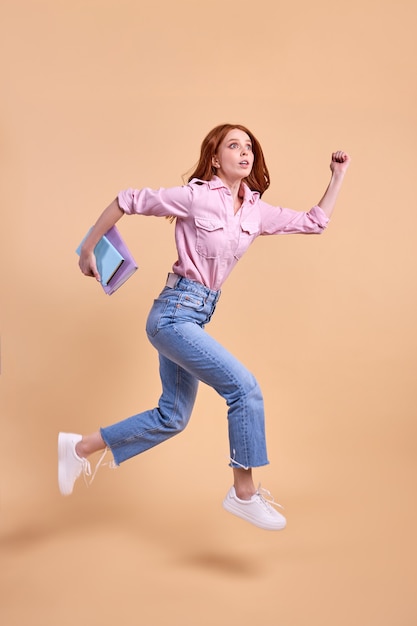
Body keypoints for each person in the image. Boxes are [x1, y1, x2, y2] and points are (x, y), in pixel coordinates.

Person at [58, 123, 350, 531]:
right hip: (173, 313)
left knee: (172, 417)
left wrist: (336, 177)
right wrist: (88, 249)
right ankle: (243, 493)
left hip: (194, 317)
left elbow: (315, 222)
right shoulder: (195, 197)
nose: (245, 151)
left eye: (249, 146)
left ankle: (78, 448)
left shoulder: (254, 209)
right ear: (215, 158)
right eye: (234, 145)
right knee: (244, 389)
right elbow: (127, 199)